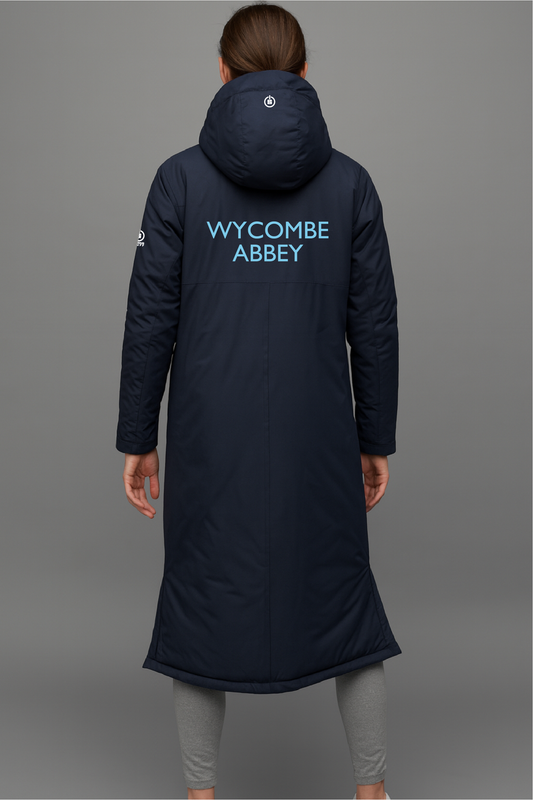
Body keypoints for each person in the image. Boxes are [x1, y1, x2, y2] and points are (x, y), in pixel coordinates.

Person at [116, 3, 401, 799]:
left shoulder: (177, 180)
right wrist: (373, 437)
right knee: (344, 600)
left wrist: (138, 436)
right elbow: (374, 327)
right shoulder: (349, 183)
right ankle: (372, 793)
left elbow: (149, 320)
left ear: (221, 71)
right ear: (303, 72)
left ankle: (200, 795)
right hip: (319, 435)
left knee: (202, 598)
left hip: (211, 436)